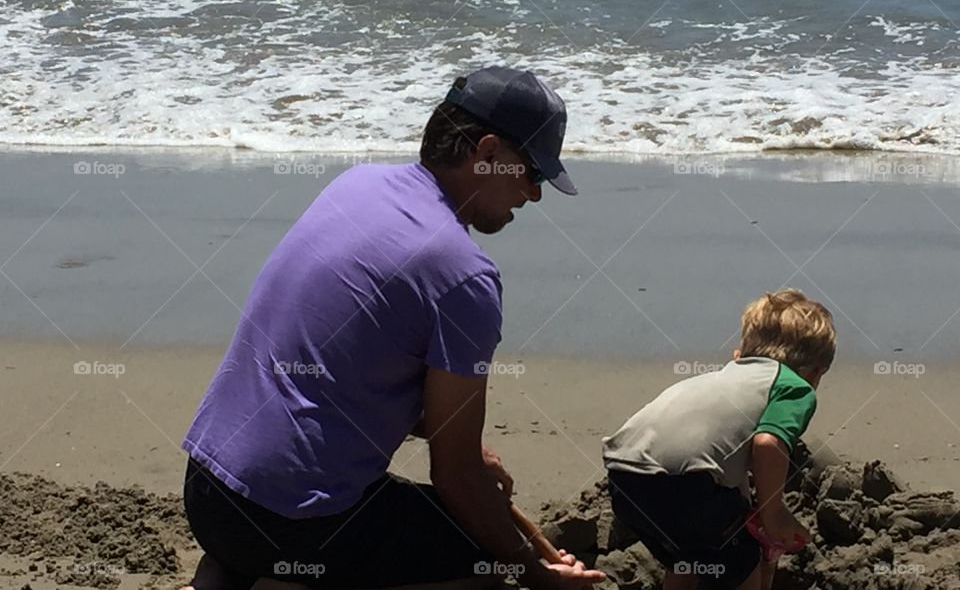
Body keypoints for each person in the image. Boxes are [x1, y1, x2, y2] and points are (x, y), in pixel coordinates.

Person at [180, 66, 606, 590]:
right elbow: (454, 476)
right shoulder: (464, 276)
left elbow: (342, 374)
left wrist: (464, 450)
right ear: (488, 153)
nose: (534, 196)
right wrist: (536, 573)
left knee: (416, 520)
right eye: (533, 174)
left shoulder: (357, 184)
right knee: (487, 570)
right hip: (288, 521)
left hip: (209, 492)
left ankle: (235, 571)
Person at [602, 289, 836, 590]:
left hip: (626, 478)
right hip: (688, 486)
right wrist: (773, 512)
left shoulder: (719, 379)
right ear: (816, 373)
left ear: (740, 355)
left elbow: (724, 463)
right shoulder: (794, 387)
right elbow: (767, 444)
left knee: (687, 560)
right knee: (744, 564)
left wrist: (754, 512)